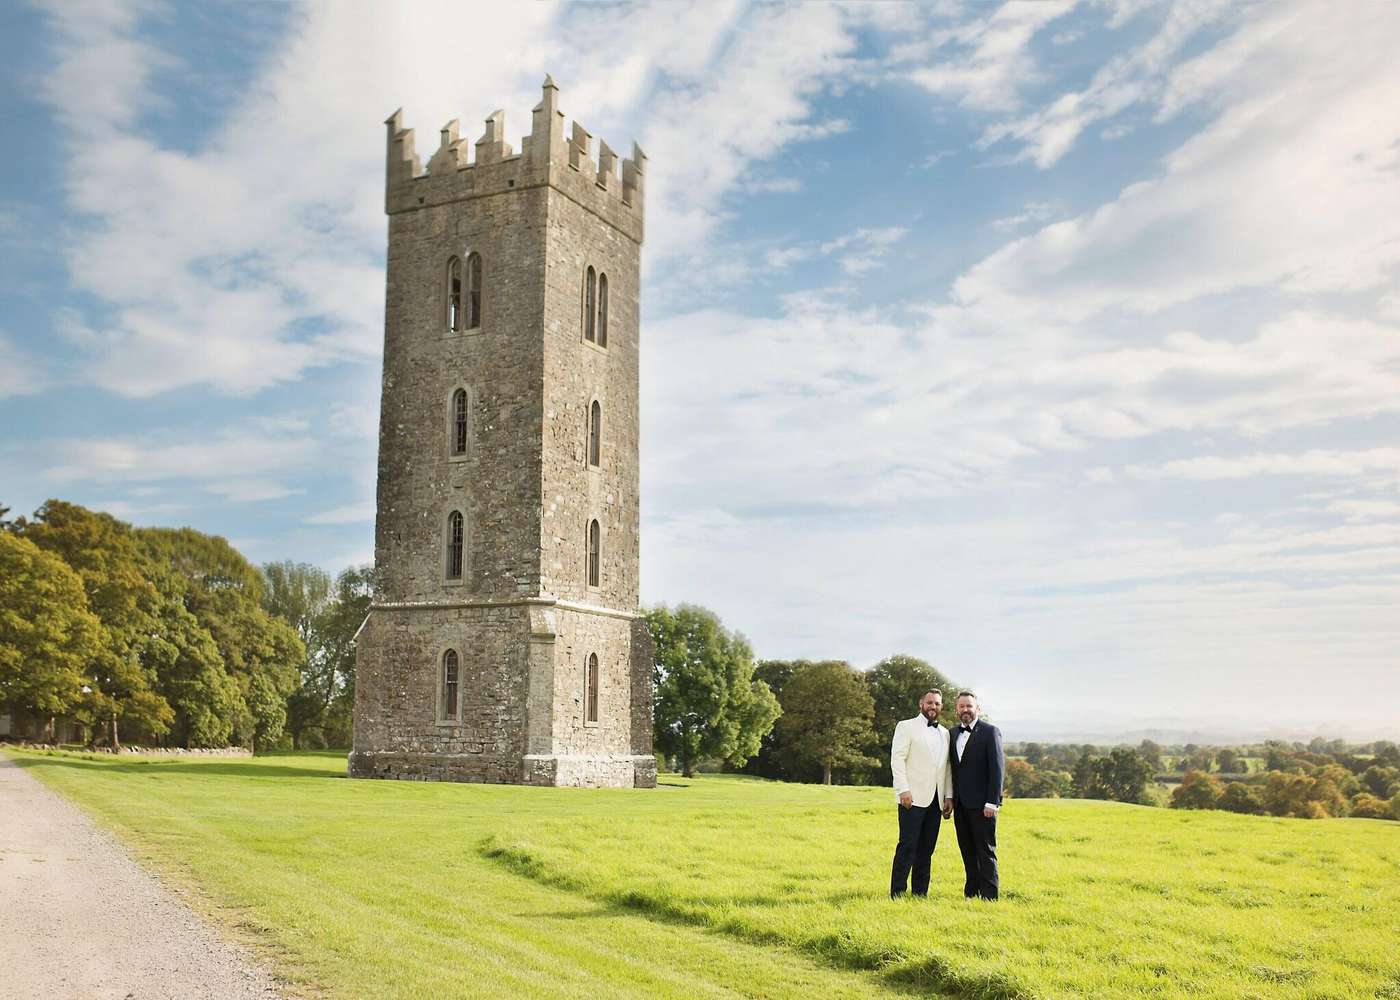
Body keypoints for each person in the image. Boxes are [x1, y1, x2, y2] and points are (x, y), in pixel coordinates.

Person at [888, 689, 954, 897]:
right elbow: (897, 759)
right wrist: (903, 790)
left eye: (936, 703)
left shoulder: (945, 733)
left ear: (941, 706)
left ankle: (920, 894)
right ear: (921, 703)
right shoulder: (906, 727)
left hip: (936, 800)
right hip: (912, 798)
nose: (933, 707)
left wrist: (948, 796)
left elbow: (948, 767)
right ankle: (897, 892)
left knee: (926, 850)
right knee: (907, 847)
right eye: (929, 703)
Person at [949, 690, 1004, 900]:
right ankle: (971, 893)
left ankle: (990, 896)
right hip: (961, 805)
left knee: (985, 851)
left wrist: (993, 801)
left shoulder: (991, 732)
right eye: (961, 706)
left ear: (977, 708)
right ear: (956, 710)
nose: (965, 710)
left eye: (969, 706)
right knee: (967, 851)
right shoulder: (952, 734)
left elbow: (997, 770)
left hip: (984, 805)